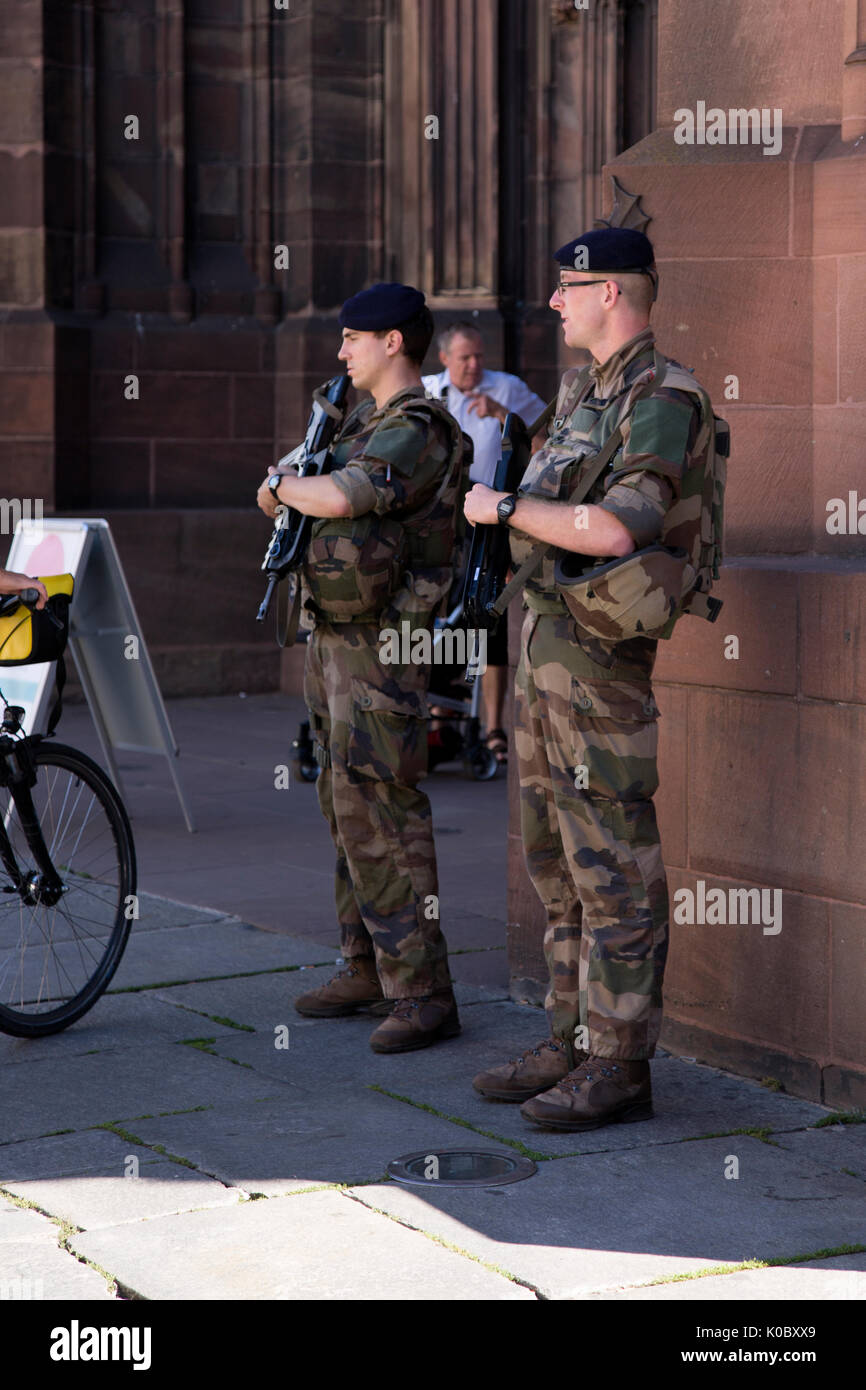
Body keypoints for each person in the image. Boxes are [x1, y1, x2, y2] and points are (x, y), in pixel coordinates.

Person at [464, 228, 715, 1130]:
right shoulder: (582, 394)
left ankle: (621, 1065)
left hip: (601, 665)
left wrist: (502, 506)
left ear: (614, 293)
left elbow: (617, 529)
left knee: (613, 865)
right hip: (547, 653)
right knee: (556, 861)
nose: (556, 301)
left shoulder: (664, 396)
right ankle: (571, 1037)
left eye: (570, 286)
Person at [256, 283, 464, 1053]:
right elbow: (286, 487)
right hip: (338, 633)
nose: (341, 351)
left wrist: (286, 490)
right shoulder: (353, 420)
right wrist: (287, 487)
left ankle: (423, 990)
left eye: (352, 337)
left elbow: (347, 496)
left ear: (393, 344)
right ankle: (366, 963)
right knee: (342, 801)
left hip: (388, 642)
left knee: (384, 808)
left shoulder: (417, 427)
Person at [423, 324, 546, 765]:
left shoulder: (508, 388)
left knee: (485, 611)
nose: (474, 365)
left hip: (489, 515)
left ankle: (492, 725)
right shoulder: (425, 392)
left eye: (478, 356)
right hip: (436, 516)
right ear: (444, 359)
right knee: (438, 607)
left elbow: (549, 444)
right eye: (464, 358)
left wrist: (501, 415)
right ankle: (438, 716)